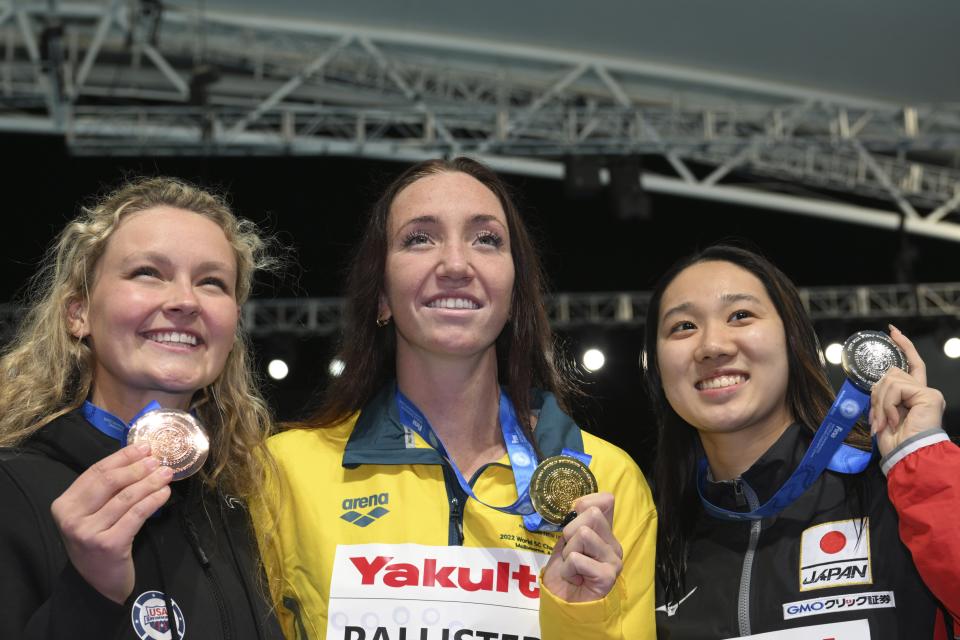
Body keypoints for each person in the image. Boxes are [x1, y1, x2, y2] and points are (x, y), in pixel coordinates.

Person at [252, 157, 656, 640]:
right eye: (419, 238)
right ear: (381, 295)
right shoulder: (283, 472)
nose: (456, 265)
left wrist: (579, 616)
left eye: (486, 239)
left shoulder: (606, 483)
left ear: (513, 293)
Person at [0, 177, 284, 640]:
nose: (185, 301)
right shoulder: (10, 490)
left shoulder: (247, 498)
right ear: (78, 313)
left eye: (212, 282)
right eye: (148, 273)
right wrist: (89, 593)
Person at [644, 244, 959, 639]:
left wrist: (923, 461)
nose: (712, 346)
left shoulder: (891, 491)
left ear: (793, 340)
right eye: (683, 326)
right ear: (656, 366)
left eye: (740, 315)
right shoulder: (651, 539)